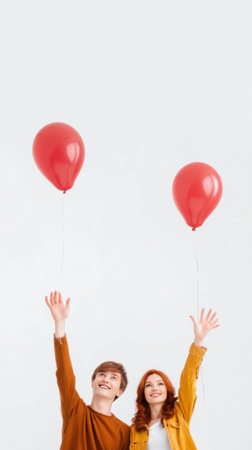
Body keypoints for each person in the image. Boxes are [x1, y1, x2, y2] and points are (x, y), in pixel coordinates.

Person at [45, 290, 130, 450]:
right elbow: (65, 375)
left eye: (113, 378)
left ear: (120, 391)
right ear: (93, 383)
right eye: (102, 374)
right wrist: (60, 325)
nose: (105, 379)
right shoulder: (75, 410)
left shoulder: (124, 432)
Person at [130, 308, 220, 449]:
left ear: (167, 390)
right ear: (143, 394)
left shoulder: (180, 414)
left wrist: (198, 341)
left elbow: (188, 381)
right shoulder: (136, 430)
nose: (154, 388)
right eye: (148, 385)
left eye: (160, 384)